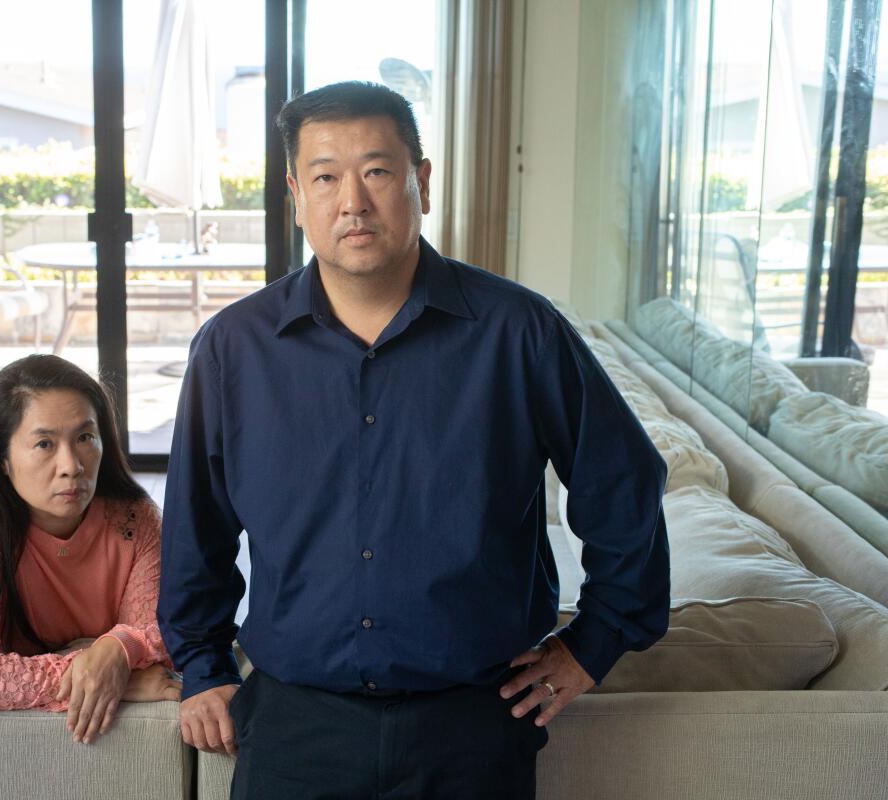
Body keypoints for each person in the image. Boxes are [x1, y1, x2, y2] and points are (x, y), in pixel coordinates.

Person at [157, 81, 670, 798]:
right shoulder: (233, 350)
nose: (353, 202)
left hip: (474, 724)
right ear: (295, 194)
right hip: (295, 724)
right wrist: (202, 663)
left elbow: (623, 480)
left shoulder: (518, 332)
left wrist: (598, 639)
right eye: (326, 177)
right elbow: (195, 525)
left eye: (376, 171)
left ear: (420, 181)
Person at [0, 354, 180, 744]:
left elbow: (161, 634)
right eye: (44, 443)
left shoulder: (135, 522)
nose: (71, 466)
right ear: (3, 461)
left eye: (85, 438)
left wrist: (118, 649)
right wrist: (105, 673)